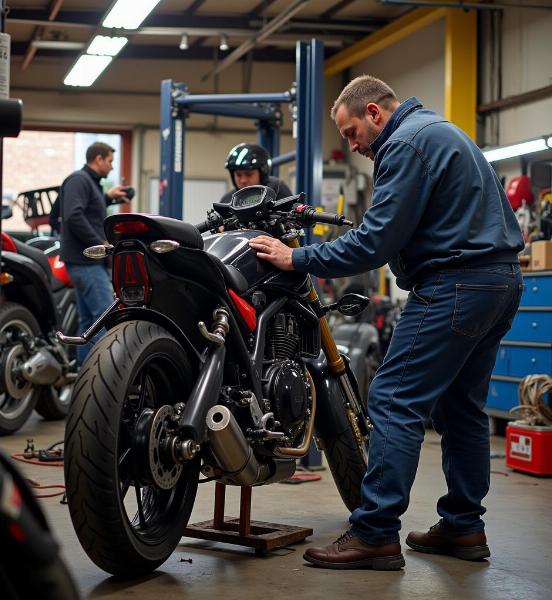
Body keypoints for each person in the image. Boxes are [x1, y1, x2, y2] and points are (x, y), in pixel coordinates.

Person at [249, 75, 524, 570]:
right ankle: (464, 526)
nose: (352, 146)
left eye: (352, 132)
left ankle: (374, 532)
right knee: (461, 408)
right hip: (499, 283)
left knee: (395, 397)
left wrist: (297, 258)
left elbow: (375, 241)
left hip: (455, 285)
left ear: (374, 113)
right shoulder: (438, 131)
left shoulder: (405, 144)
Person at [59, 141, 130, 367]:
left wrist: (107, 197)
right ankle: (101, 377)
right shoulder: (79, 180)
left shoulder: (89, 183)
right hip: (86, 261)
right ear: (98, 159)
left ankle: (83, 374)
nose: (111, 167)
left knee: (89, 323)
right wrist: (100, 243)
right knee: (102, 319)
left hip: (85, 262)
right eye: (109, 161)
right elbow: (74, 215)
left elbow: (87, 209)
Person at [220, 143, 292, 204]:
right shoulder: (228, 200)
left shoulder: (277, 189)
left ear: (263, 172)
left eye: (249, 174)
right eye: (238, 175)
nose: (243, 180)